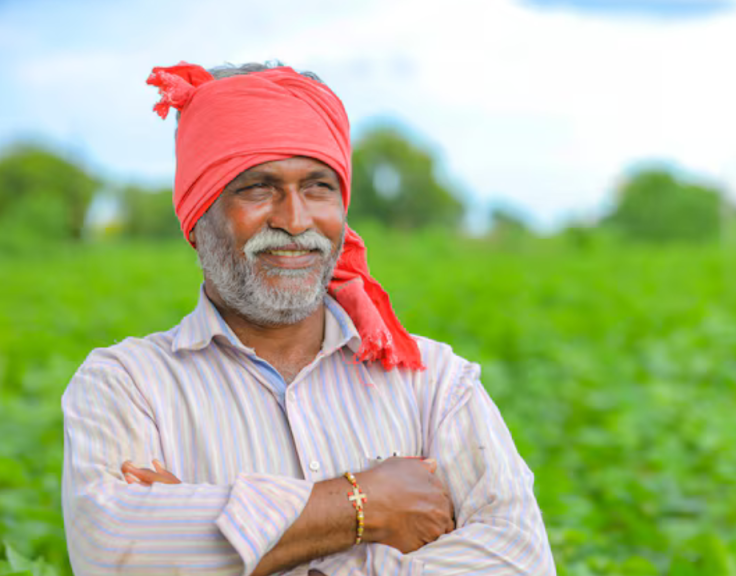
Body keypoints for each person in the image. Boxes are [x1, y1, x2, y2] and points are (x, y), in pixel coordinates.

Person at [60, 61, 556, 576]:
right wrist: (364, 506)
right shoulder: (126, 384)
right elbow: (111, 552)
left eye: (318, 186)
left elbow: (520, 560)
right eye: (258, 188)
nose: (295, 221)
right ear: (198, 214)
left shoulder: (433, 384)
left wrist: (240, 547)